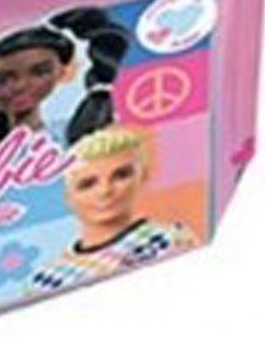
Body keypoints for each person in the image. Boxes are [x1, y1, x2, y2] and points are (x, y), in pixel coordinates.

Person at [29, 124, 197, 294]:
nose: (105, 191)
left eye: (121, 175)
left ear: (143, 176)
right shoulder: (45, 279)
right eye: (87, 184)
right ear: (68, 197)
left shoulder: (168, 240)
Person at [0, 6, 129, 158]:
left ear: (62, 72)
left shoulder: (75, 131)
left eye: (39, 73)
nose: (20, 86)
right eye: (3, 80)